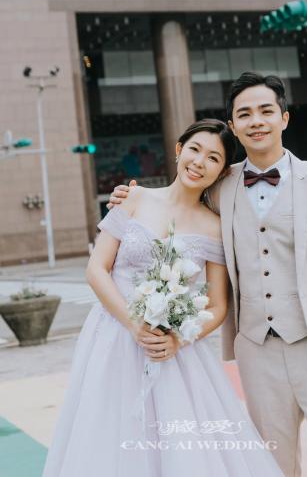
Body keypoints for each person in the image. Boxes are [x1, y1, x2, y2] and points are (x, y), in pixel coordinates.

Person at [109, 72, 307, 477]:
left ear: (284, 118)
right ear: (234, 126)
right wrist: (131, 196)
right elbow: (177, 202)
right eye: (244, 114)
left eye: (265, 111)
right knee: (271, 466)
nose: (256, 121)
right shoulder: (219, 187)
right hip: (258, 352)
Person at [42, 118, 284, 477]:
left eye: (213, 158)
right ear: (178, 150)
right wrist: (134, 324)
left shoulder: (214, 225)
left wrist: (177, 339)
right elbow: (96, 269)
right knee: (108, 435)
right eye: (194, 150)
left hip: (173, 349)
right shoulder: (134, 198)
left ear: (221, 171)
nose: (199, 162)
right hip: (112, 337)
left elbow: (218, 306)